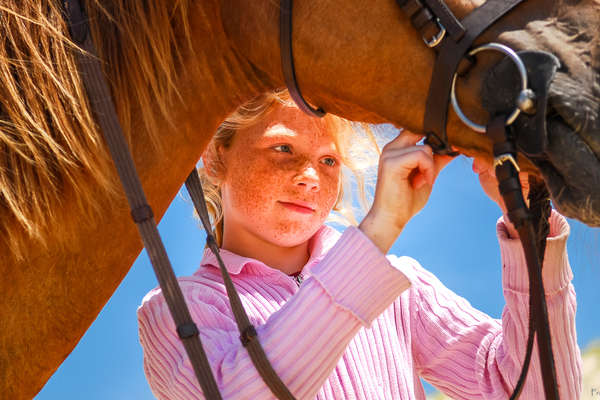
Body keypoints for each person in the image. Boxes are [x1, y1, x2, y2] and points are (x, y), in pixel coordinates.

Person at [137, 91, 581, 399]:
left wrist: (529, 220)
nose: (310, 176)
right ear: (215, 158)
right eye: (283, 149)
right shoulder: (176, 310)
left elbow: (534, 391)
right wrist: (381, 227)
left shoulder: (403, 289)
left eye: (328, 160)